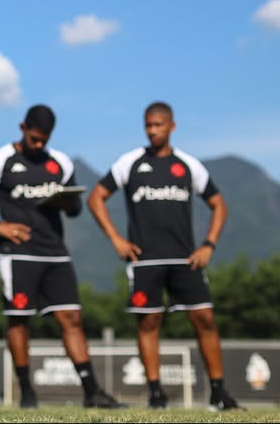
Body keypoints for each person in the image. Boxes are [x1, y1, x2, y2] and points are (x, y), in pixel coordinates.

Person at [0, 104, 124, 409]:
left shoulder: (59, 162)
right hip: (17, 253)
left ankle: (91, 392)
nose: (39, 145)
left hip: (55, 251)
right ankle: (27, 393)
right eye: (34, 138)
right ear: (22, 128)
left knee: (71, 318)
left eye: (44, 139)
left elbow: (74, 211)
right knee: (19, 320)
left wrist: (67, 202)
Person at [88, 101, 242, 411]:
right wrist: (116, 239)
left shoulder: (188, 165)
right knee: (148, 323)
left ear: (172, 126)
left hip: (185, 259)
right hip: (145, 261)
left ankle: (218, 394)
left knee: (205, 319)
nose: (153, 131)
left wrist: (208, 244)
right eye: (148, 125)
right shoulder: (129, 163)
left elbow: (219, 205)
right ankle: (156, 395)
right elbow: (96, 197)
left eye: (158, 125)